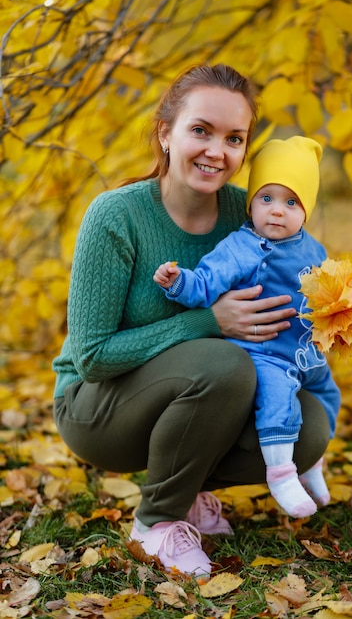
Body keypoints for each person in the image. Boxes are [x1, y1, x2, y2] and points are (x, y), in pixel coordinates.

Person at [52, 64, 331, 578]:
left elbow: (292, 286)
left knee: (309, 424)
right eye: (200, 130)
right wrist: (209, 321)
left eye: (234, 138)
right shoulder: (116, 216)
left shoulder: (247, 213)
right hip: (98, 409)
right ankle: (156, 524)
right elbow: (91, 359)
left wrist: (335, 310)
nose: (216, 151)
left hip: (195, 401)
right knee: (223, 363)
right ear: (166, 132)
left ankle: (188, 486)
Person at [154, 136, 341, 519]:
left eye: (291, 202)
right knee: (277, 403)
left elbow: (332, 288)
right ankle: (281, 472)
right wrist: (179, 282)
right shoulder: (242, 247)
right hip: (265, 352)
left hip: (306, 351)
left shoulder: (313, 249)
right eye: (266, 198)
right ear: (251, 202)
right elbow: (207, 282)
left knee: (328, 396)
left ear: (306, 210)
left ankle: (312, 464)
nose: (276, 211)